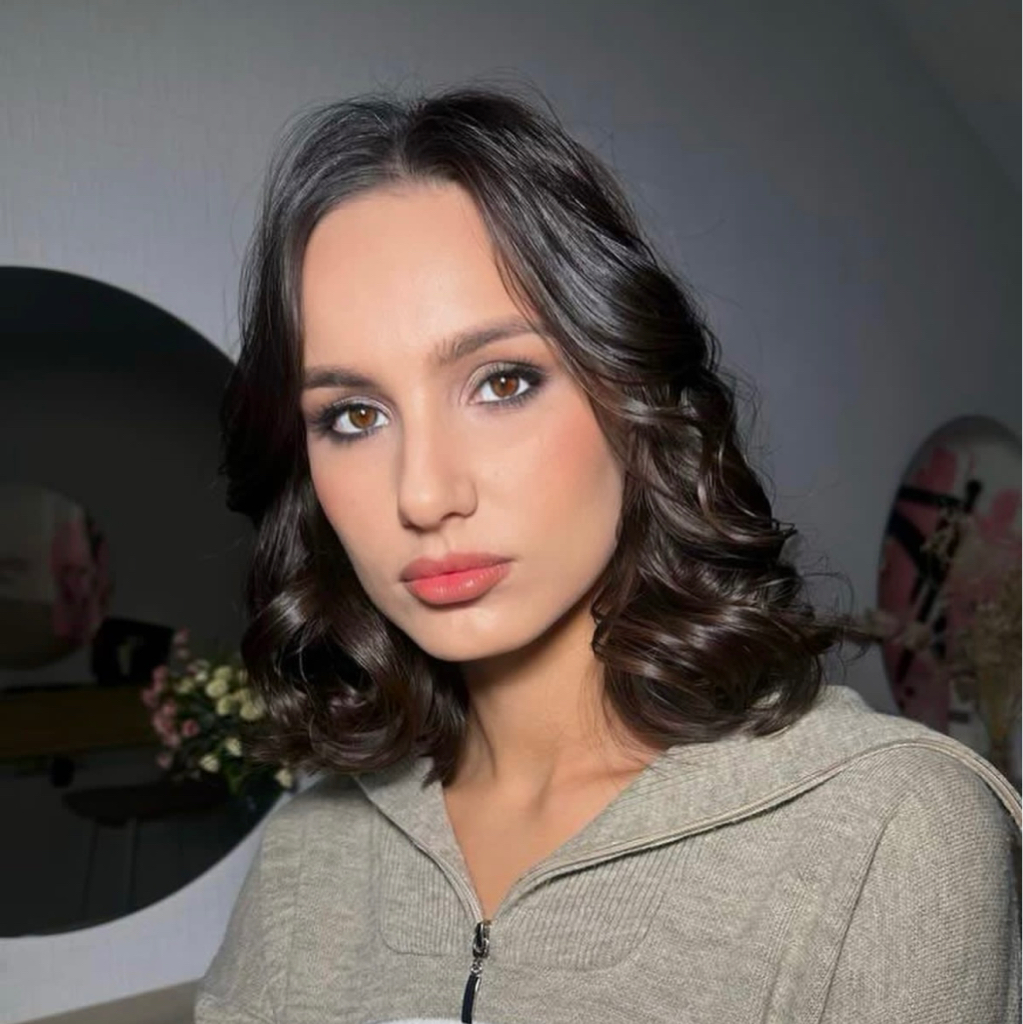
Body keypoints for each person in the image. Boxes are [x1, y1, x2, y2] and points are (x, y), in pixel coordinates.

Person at [195, 86, 1021, 1024]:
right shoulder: (309, 854)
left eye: (502, 382)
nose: (423, 495)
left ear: (629, 394)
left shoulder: (890, 826)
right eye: (353, 416)